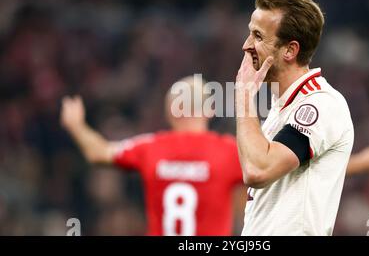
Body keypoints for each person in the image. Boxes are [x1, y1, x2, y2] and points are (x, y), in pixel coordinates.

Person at [235, 0, 354, 235]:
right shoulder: (279, 112)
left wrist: (244, 97)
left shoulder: (321, 104)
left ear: (290, 50)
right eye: (250, 33)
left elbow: (258, 170)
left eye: (258, 36)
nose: (246, 46)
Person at [60, 76, 244, 236]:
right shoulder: (230, 151)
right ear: (210, 109)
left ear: (170, 111)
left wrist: (76, 126)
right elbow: (265, 169)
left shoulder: (149, 147)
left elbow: (98, 153)